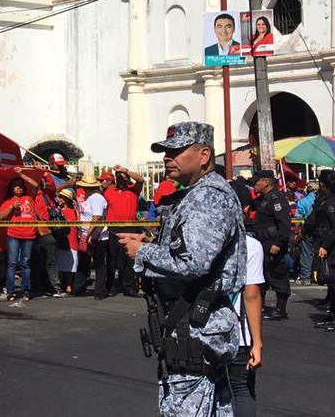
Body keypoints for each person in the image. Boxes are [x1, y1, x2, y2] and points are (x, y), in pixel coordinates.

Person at [116, 122, 246, 417]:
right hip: (196, 324)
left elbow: (193, 262)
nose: (167, 157)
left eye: (176, 150)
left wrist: (144, 252)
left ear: (204, 155)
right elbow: (191, 250)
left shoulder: (206, 197)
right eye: (165, 151)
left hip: (196, 327)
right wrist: (151, 241)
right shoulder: (196, 193)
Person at [227, 181, 263, 417]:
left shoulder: (201, 243)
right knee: (241, 390)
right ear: (247, 210)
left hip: (200, 329)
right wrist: (257, 342)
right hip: (238, 332)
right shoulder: (251, 246)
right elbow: (251, 295)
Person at [249, 170, 292, 321]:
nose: (254, 186)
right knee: (264, 275)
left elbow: (285, 224)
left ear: (265, 182)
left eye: (256, 182)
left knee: (277, 274)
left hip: (273, 244)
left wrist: (278, 243)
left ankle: (280, 309)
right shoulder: (264, 199)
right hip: (263, 243)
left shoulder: (276, 199)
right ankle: (260, 306)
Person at [304, 171, 335, 329]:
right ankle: (332, 315)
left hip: (331, 248)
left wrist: (325, 246)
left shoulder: (330, 203)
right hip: (327, 245)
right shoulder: (324, 201)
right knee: (331, 282)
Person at [105, 169, 141, 298]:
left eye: (124, 178)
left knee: (128, 259)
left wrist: (125, 171)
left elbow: (141, 179)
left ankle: (129, 287)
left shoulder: (133, 190)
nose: (122, 179)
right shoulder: (109, 191)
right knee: (112, 259)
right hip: (114, 229)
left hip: (129, 229)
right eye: (119, 177)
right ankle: (111, 286)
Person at [0, 176, 36, 302]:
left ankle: (25, 291)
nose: (18, 187)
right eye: (15, 185)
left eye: (20, 185)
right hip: (13, 234)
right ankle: (10, 292)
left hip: (29, 234)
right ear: (11, 188)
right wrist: (11, 207)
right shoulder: (8, 200)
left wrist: (23, 175)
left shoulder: (29, 198)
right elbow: (0, 216)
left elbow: (36, 185)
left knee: (25, 263)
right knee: (12, 263)